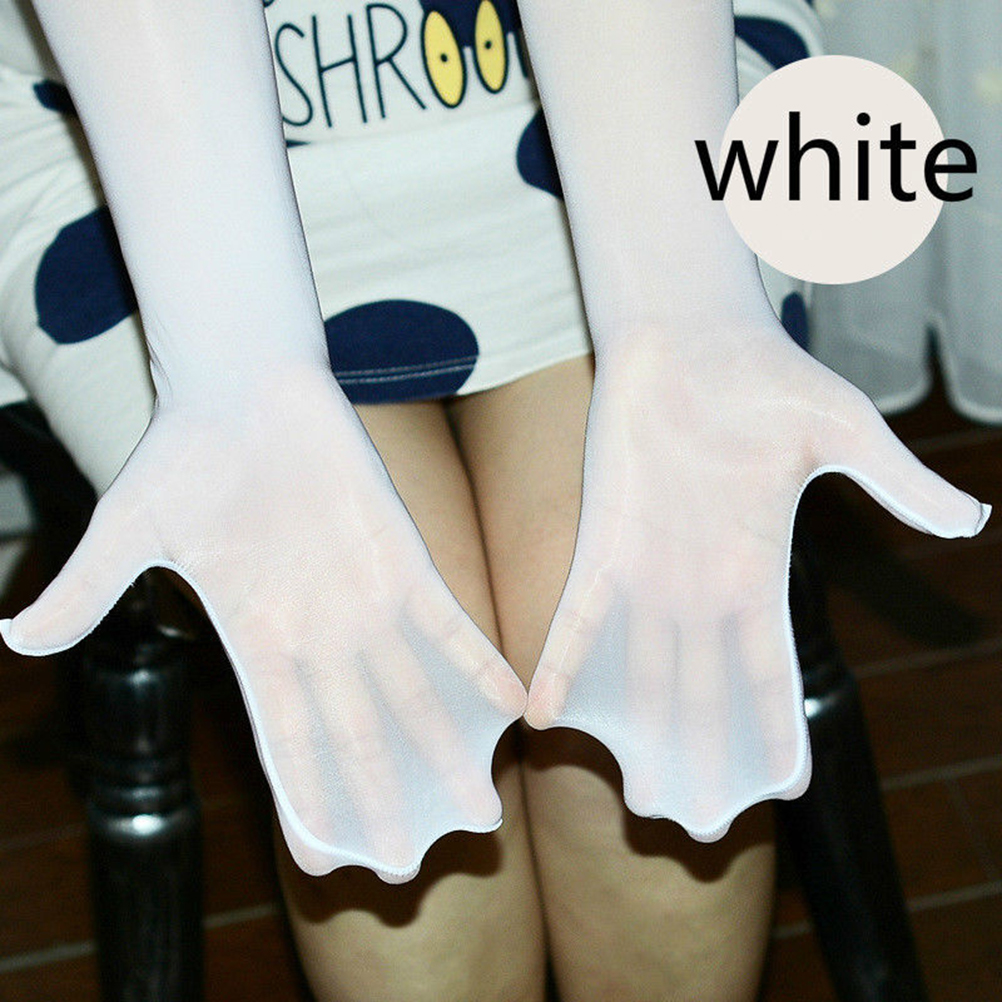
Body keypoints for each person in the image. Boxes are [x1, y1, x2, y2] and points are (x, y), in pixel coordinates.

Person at [0, 2, 986, 1001]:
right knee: (381, 705)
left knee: (639, 647)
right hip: (131, 128)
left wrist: (691, 313)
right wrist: (236, 380)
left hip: (623, 81)